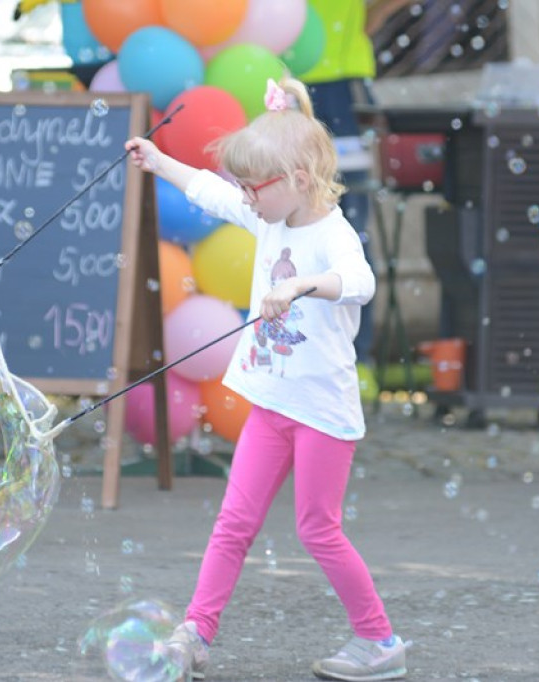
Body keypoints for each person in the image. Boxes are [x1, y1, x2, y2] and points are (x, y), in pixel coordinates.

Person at [125, 77, 407, 682]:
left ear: (298, 180)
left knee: (318, 529)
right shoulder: (268, 218)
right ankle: (196, 633)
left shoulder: (333, 235)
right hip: (271, 405)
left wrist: (302, 284)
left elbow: (360, 283)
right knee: (233, 523)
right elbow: (209, 193)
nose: (246, 197)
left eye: (254, 186)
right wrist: (158, 161)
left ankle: (379, 640)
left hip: (322, 413)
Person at [299, 0, 378, 366]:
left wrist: (362, 21)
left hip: (342, 82)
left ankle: (357, 359)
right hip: (281, 80)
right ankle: (304, 355)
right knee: (290, 222)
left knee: (352, 226)